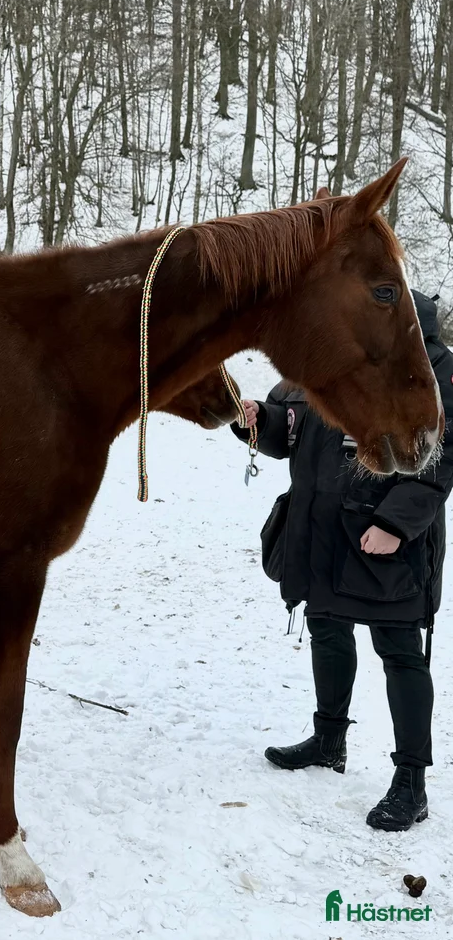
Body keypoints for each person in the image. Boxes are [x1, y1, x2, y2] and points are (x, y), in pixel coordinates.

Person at [237, 289, 453, 831]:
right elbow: (289, 426)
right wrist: (257, 418)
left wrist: (395, 523)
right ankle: (329, 739)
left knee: (401, 652)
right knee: (327, 629)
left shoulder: (431, 364)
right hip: (321, 531)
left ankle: (412, 781)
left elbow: (443, 452)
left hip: (387, 541)